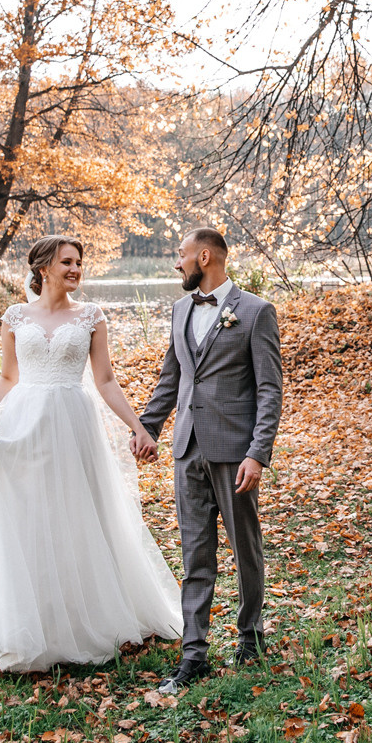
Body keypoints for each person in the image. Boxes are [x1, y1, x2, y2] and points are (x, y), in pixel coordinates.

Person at [0, 236, 181, 673]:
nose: (76, 269)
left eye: (79, 263)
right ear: (44, 267)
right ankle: (35, 624)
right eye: (67, 262)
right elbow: (7, 377)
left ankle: (85, 619)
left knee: (75, 515)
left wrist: (138, 426)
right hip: (21, 428)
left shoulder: (90, 317)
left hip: (72, 423)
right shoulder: (14, 317)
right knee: (28, 521)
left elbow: (105, 381)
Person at [138, 227, 281, 693]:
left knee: (246, 550)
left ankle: (250, 637)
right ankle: (194, 655)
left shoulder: (256, 312)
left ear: (204, 257)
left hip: (235, 452)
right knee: (195, 552)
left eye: (181, 255)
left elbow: (268, 390)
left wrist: (257, 453)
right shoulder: (181, 309)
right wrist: (149, 427)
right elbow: (171, 377)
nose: (176, 263)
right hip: (187, 451)